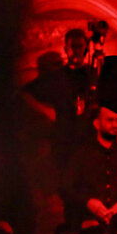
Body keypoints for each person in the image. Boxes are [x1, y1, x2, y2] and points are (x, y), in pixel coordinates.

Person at [22, 28, 95, 171]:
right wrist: (47, 111)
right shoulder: (56, 77)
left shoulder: (92, 74)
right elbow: (24, 93)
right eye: (72, 46)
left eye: (79, 46)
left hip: (88, 142)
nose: (76, 51)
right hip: (63, 145)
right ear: (66, 49)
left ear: (85, 48)